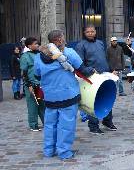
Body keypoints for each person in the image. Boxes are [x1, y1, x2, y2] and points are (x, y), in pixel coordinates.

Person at [34, 30, 93, 160]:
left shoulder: (39, 56)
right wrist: (93, 70)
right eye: (63, 37)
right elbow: (83, 70)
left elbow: (37, 75)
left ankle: (49, 150)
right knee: (66, 125)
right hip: (68, 95)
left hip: (50, 97)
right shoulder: (68, 53)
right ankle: (64, 152)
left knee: (50, 125)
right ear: (59, 40)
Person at [75, 24, 117, 135]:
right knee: (94, 101)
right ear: (84, 33)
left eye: (92, 31)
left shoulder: (100, 43)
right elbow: (80, 63)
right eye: (88, 32)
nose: (90, 33)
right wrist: (90, 70)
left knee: (108, 98)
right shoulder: (81, 45)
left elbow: (105, 58)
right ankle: (93, 126)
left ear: (95, 32)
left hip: (104, 74)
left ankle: (108, 121)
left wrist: (111, 69)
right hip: (92, 77)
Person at [20, 37, 45, 131]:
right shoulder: (25, 56)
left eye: (37, 43)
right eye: (35, 44)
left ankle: (46, 123)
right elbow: (24, 72)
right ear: (29, 46)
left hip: (40, 84)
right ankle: (33, 125)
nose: (37, 45)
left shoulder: (40, 54)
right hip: (31, 85)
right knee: (32, 105)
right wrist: (28, 85)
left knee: (42, 104)